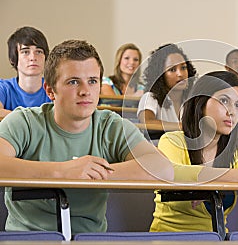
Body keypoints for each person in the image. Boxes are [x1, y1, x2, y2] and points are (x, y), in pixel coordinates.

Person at [0, 40, 173, 234]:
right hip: (27, 238)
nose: (85, 91)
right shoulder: (24, 121)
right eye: (73, 81)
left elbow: (163, 169)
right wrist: (63, 172)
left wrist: (91, 172)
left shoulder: (110, 125)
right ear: (50, 90)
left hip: (90, 238)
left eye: (92, 81)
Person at [150, 71, 238, 232]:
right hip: (170, 237)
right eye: (224, 101)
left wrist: (207, 183)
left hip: (217, 238)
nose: (232, 111)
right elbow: (174, 174)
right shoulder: (172, 141)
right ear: (200, 102)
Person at [137, 43, 197, 128]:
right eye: (172, 69)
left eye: (183, 68)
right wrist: (183, 127)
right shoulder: (150, 97)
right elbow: (147, 122)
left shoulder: (190, 99)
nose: (180, 74)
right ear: (160, 75)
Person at [0, 26, 51, 118]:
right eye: (25, 52)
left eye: (39, 52)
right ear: (12, 59)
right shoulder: (3, 88)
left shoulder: (54, 88)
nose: (33, 58)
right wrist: (35, 119)